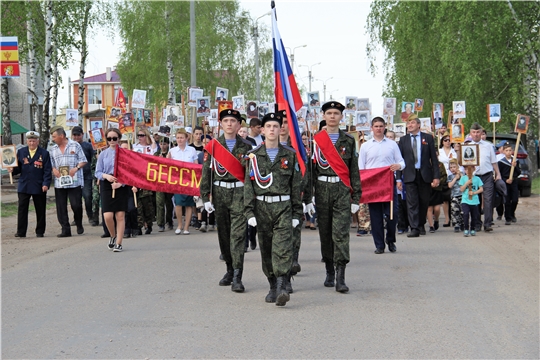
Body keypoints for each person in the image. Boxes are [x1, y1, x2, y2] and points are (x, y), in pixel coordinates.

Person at [244, 112, 302, 306]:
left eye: (275, 126)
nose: (271, 129)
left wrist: (296, 212)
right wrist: (249, 212)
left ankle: (282, 286)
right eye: (268, 126)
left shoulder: (290, 155)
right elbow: (248, 186)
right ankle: (272, 285)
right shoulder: (253, 156)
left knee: (283, 248)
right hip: (262, 207)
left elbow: (296, 186)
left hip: (283, 206)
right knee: (267, 248)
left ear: (279, 130)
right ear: (262, 130)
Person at [200, 109, 254, 292]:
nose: (230, 124)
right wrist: (205, 197)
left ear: (239, 125)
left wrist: (250, 200)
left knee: (238, 236)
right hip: (220, 193)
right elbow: (206, 172)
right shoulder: (213, 146)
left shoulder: (247, 146)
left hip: (239, 194)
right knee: (224, 235)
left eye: (233, 121)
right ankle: (229, 269)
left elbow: (250, 175)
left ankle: (238, 275)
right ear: (221, 124)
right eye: (226, 121)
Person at [312, 101, 362, 292]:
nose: (332, 116)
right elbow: (311, 171)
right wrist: (310, 196)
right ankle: (329, 271)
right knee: (325, 233)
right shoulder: (316, 140)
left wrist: (356, 197)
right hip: (322, 189)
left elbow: (354, 171)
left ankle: (341, 276)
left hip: (341, 191)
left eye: (336, 113)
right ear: (323, 116)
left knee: (340, 234)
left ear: (341, 117)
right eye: (329, 113)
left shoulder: (348, 141)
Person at [358, 116, 404, 253]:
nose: (378, 128)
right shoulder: (366, 146)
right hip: (373, 186)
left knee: (392, 214)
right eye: (376, 126)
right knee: (375, 216)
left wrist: (398, 166)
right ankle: (379, 244)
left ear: (385, 127)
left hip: (388, 184)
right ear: (372, 128)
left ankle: (390, 239)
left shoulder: (392, 144)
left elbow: (402, 162)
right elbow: (361, 167)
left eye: (381, 126)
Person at [396, 114, 440, 237]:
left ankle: (421, 224)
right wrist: (398, 178)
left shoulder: (428, 138)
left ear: (418, 125)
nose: (410, 125)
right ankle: (414, 227)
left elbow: (434, 159)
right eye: (408, 123)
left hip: (425, 174)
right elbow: (400, 161)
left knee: (423, 201)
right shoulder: (403, 140)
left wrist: (436, 176)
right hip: (409, 175)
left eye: (412, 123)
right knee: (412, 202)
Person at [9, 131, 52, 238]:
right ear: (27, 141)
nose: (31, 143)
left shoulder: (44, 153)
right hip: (24, 185)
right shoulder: (21, 152)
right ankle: (21, 232)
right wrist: (12, 170)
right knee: (22, 209)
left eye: (34, 141)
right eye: (30, 141)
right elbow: (18, 168)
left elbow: (47, 170)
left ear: (38, 141)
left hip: (39, 185)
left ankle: (40, 231)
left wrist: (46, 184)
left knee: (40, 209)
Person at [49, 126, 88, 237]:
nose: (53, 139)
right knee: (61, 207)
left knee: (76, 205)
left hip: (74, 181)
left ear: (61, 136)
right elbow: (50, 164)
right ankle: (65, 229)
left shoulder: (75, 145)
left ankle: (78, 222)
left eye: (54, 136)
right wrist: (54, 170)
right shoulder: (53, 149)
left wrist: (76, 168)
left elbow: (83, 160)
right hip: (60, 182)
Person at [96, 128, 129, 252]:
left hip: (120, 185)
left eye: (114, 138)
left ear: (119, 139)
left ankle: (119, 243)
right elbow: (98, 172)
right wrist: (106, 176)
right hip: (107, 184)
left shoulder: (125, 154)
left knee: (120, 215)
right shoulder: (103, 154)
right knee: (108, 215)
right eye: (109, 138)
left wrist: (121, 183)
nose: (112, 141)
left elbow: (129, 172)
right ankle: (112, 235)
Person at [469, 122, 501, 232]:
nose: (476, 134)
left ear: (482, 133)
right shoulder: (468, 146)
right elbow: (463, 163)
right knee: (475, 200)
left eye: (478, 132)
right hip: (474, 176)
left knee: (488, 200)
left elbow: (494, 161)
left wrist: (498, 174)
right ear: (470, 133)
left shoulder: (488, 145)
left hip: (487, 175)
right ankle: (477, 223)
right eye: (474, 132)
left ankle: (488, 223)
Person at [168, 128, 198, 235]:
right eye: (178, 138)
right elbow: (167, 165)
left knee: (189, 204)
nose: (179, 140)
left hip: (189, 180)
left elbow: (196, 165)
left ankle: (186, 227)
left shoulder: (192, 150)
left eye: (181, 138)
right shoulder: (172, 151)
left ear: (186, 138)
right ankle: (180, 225)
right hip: (177, 181)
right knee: (178, 203)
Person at [71, 126, 94, 225]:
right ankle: (77, 219)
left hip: (86, 176)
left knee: (88, 197)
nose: (76, 137)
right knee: (76, 200)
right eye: (74, 135)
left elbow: (93, 159)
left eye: (78, 135)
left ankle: (91, 217)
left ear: (82, 135)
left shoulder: (88, 146)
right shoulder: (70, 146)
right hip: (74, 176)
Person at [438, 132, 458, 227]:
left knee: (454, 198)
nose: (447, 142)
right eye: (445, 140)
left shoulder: (455, 151)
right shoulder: (440, 151)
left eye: (449, 140)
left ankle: (456, 217)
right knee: (445, 199)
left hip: (454, 176)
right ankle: (447, 219)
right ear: (442, 142)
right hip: (444, 176)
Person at [155, 137, 174, 232]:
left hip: (169, 182)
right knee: (159, 203)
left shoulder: (171, 154)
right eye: (161, 144)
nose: (163, 146)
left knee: (169, 203)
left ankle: (169, 221)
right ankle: (160, 223)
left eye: (165, 144)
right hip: (159, 182)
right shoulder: (156, 154)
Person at [498, 144, 520, 225]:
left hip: (514, 182)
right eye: (506, 150)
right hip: (505, 183)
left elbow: (519, 172)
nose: (508, 152)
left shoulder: (515, 161)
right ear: (503, 151)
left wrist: (515, 167)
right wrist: (505, 180)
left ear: (512, 151)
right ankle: (508, 217)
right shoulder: (501, 162)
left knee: (514, 200)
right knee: (507, 201)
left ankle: (512, 213)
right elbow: (499, 174)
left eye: (510, 150)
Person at [459, 165, 484, 237]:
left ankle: (472, 228)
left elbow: (481, 189)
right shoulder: (463, 178)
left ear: (474, 169)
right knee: (466, 214)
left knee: (474, 216)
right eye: (466, 169)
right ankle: (466, 228)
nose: (468, 171)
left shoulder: (477, 179)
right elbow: (461, 189)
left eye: (469, 169)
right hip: (465, 200)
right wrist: (466, 183)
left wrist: (474, 193)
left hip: (474, 201)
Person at [447, 159, 464, 232]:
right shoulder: (450, 177)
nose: (452, 169)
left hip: (463, 195)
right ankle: (456, 224)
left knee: (463, 211)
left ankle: (463, 223)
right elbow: (450, 185)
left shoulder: (462, 174)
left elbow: (465, 182)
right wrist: (455, 178)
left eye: (454, 167)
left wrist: (460, 175)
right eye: (451, 167)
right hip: (454, 196)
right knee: (454, 210)